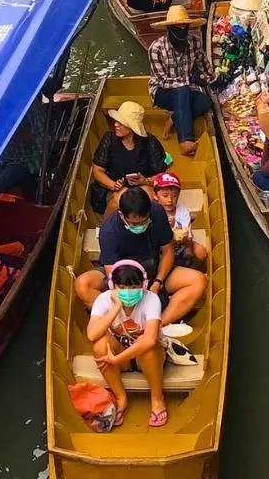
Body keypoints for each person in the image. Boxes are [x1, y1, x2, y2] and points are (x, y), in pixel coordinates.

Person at [75, 185, 208, 342]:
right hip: (121, 276)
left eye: (143, 222)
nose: (139, 226)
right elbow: (111, 270)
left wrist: (158, 282)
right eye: (134, 223)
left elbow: (168, 251)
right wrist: (125, 293)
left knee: (198, 281)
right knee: (82, 284)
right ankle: (118, 323)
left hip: (154, 269)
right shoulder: (109, 230)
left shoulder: (157, 212)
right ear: (122, 215)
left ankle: (155, 326)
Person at [84, 260, 170, 428]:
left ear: (143, 285)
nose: (128, 292)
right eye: (122, 287)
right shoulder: (104, 299)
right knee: (99, 344)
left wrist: (117, 359)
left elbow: (150, 339)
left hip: (148, 357)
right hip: (121, 356)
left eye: (134, 287)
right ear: (112, 286)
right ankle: (121, 397)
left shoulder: (151, 299)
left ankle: (157, 399)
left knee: (146, 344)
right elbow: (92, 334)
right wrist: (116, 307)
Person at [147, 7, 210, 156]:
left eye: (184, 26)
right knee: (182, 90)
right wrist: (190, 79)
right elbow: (162, 81)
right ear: (169, 28)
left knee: (205, 102)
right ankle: (185, 140)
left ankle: (174, 119)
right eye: (178, 27)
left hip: (186, 90)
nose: (182, 30)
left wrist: (213, 80)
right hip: (162, 92)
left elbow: (204, 66)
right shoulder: (156, 48)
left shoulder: (194, 42)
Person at [89, 100, 169, 214]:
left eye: (121, 123)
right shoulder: (109, 139)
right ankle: (108, 224)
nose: (116, 125)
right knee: (119, 198)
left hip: (142, 187)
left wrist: (145, 181)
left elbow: (162, 175)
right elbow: (97, 171)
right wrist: (114, 185)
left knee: (151, 198)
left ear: (132, 127)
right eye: (116, 121)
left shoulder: (150, 142)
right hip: (114, 189)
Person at [150, 172, 210, 267]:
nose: (170, 200)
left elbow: (187, 235)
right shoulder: (153, 211)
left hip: (181, 244)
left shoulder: (183, 211)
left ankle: (187, 267)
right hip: (161, 246)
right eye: (165, 195)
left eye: (174, 196)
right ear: (155, 195)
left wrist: (187, 241)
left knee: (201, 252)